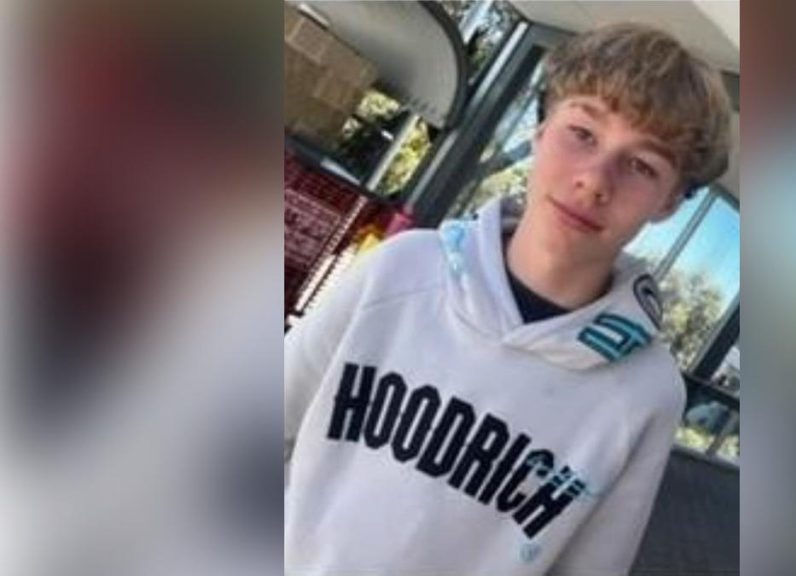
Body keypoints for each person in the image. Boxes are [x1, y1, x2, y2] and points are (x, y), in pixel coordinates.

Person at [285, 23, 732, 576]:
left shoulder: (645, 393)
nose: (595, 180)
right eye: (583, 132)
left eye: (642, 165)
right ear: (541, 130)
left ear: (668, 203)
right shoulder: (402, 271)